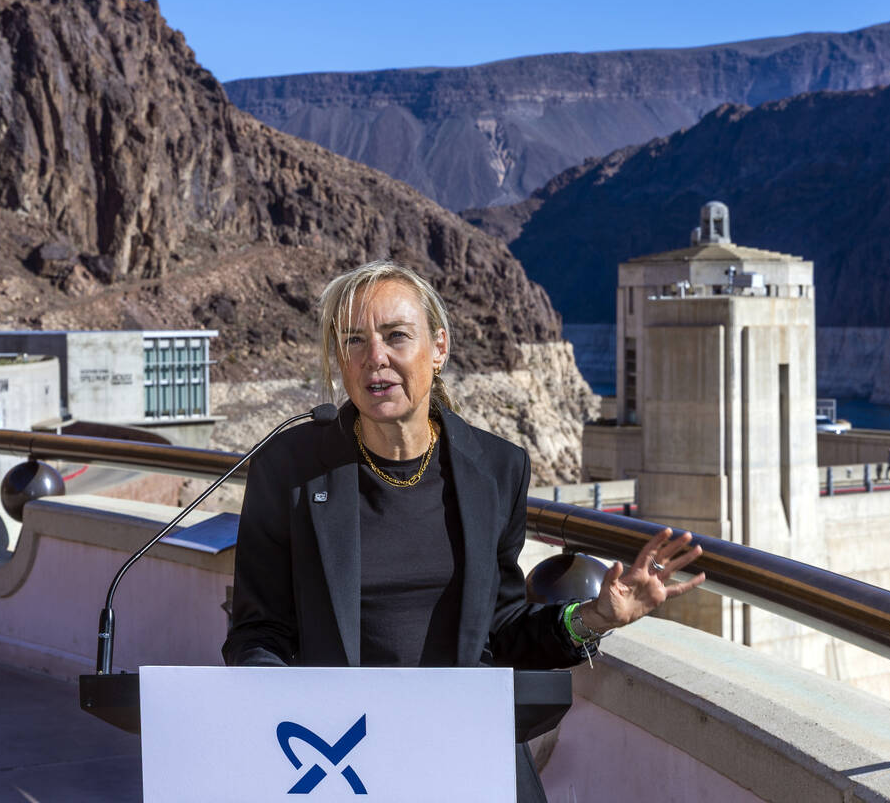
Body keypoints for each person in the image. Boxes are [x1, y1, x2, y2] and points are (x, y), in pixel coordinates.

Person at [223, 260, 705, 802]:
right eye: (354, 340)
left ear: (439, 348)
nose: (374, 357)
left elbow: (499, 628)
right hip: (340, 762)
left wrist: (592, 618)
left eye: (396, 336)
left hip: (465, 751)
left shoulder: (497, 469)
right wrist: (285, 714)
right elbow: (257, 634)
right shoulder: (288, 470)